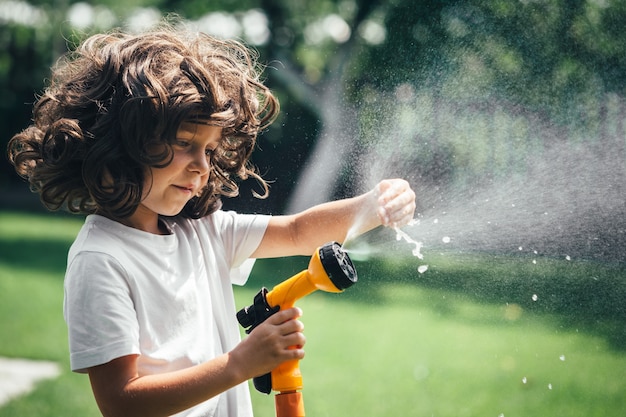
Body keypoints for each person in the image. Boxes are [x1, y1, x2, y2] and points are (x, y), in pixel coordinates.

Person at [7, 24, 416, 417]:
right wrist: (240, 363)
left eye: (209, 149)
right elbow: (121, 402)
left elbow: (297, 231)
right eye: (185, 144)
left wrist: (372, 205)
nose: (201, 166)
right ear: (121, 144)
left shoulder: (202, 231)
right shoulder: (101, 260)